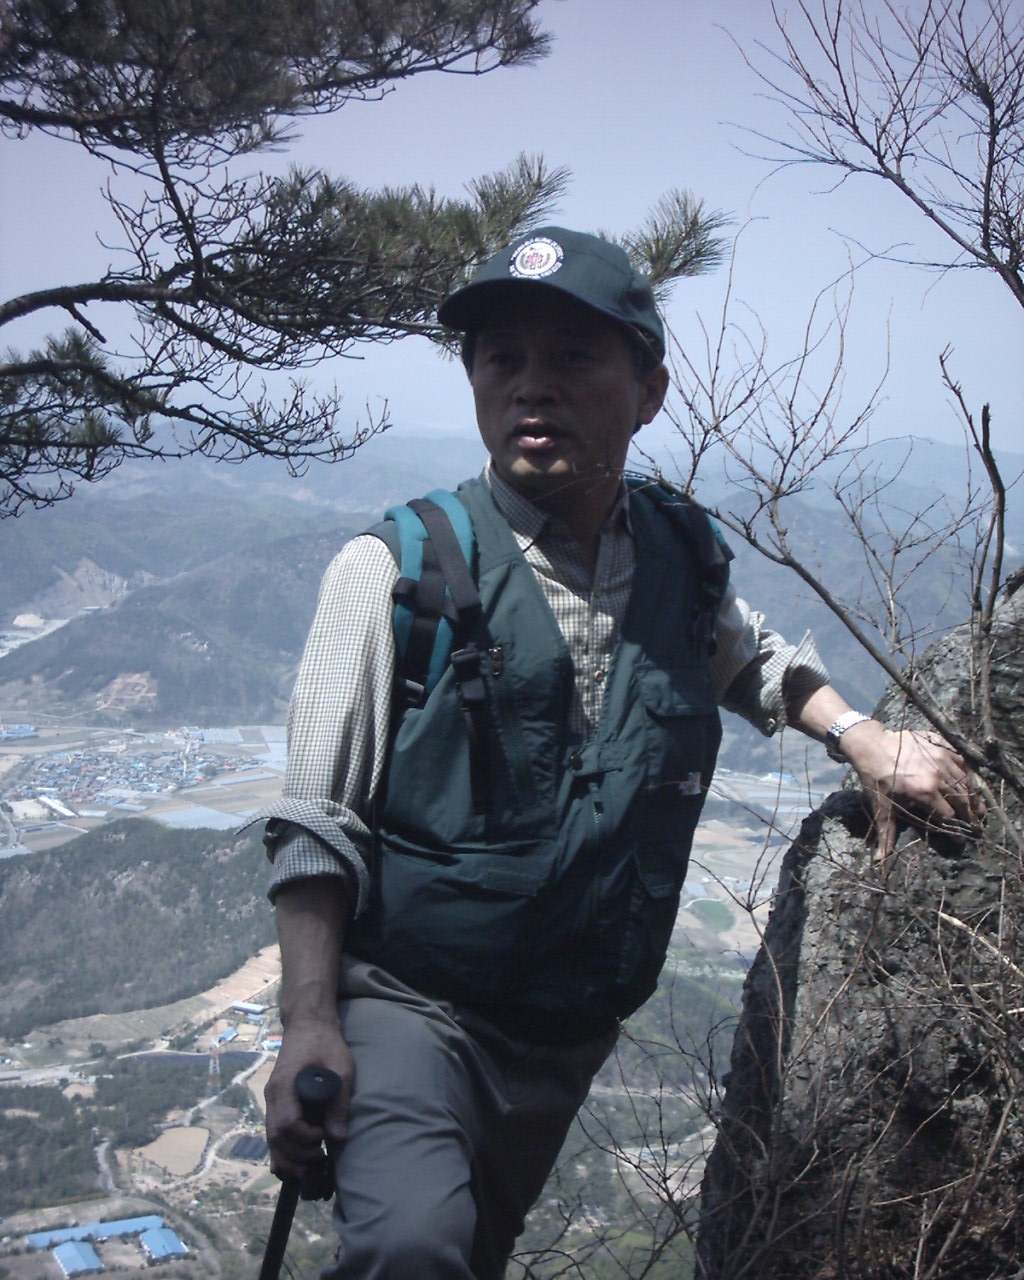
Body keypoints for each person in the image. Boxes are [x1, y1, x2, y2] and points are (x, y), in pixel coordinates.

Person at [255, 227, 983, 1279]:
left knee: (470, 1252)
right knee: (410, 1248)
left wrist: (861, 735)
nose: (530, 385)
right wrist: (309, 1020)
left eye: (572, 357)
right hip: (415, 1004)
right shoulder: (395, 570)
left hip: (570, 1030)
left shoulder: (676, 555)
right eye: (501, 359)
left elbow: (748, 658)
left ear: (649, 392)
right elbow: (317, 823)